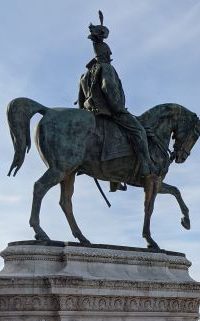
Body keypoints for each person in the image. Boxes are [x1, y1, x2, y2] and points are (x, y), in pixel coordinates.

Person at [77, 11, 154, 190]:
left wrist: (86, 114)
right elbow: (108, 89)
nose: (111, 56)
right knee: (139, 131)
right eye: (110, 53)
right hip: (109, 111)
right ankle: (145, 169)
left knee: (114, 138)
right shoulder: (106, 69)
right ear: (105, 53)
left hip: (90, 115)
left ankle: (114, 180)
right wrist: (119, 109)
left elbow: (80, 100)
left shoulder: (85, 75)